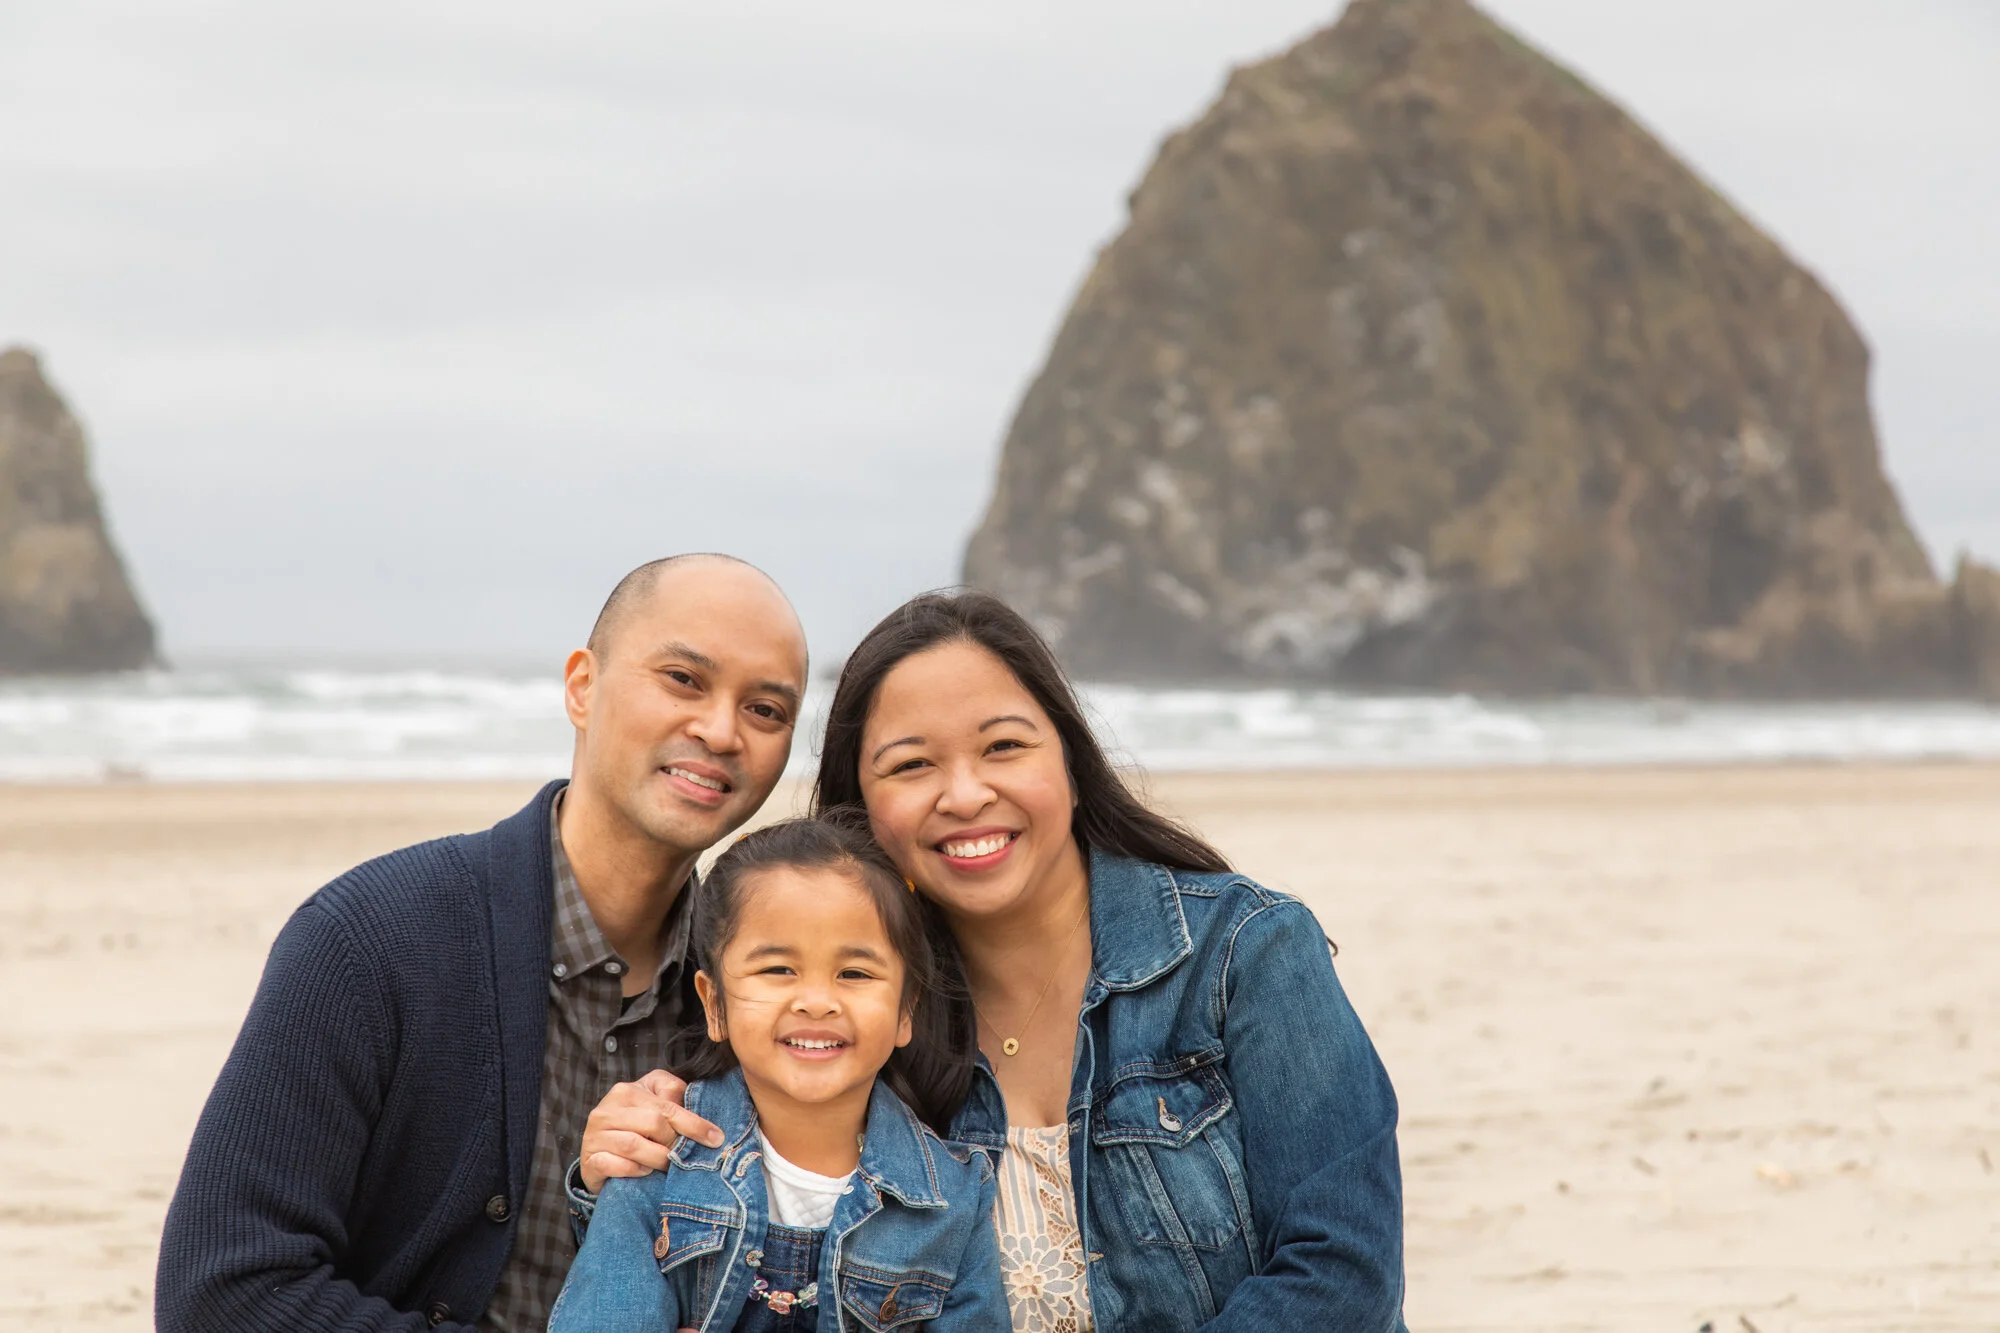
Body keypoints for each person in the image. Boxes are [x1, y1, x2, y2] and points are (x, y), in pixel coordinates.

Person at [581, 589, 1407, 1331]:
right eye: (911, 765)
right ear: (860, 813)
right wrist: (622, 1157)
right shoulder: (859, 1020)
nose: (966, 793)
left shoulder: (1244, 952)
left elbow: (1345, 1274)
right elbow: (745, 1235)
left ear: (1072, 766)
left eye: (1004, 747)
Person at [155, 554, 804, 1333]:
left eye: (766, 710)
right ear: (582, 687)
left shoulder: (765, 998)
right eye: (683, 679)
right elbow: (219, 1294)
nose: (721, 729)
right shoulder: (369, 938)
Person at [550, 816, 1007, 1333]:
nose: (816, 1002)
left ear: (906, 1011)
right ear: (714, 1004)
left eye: (853, 973)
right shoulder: (659, 1159)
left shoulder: (953, 1196)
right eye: (778, 969)